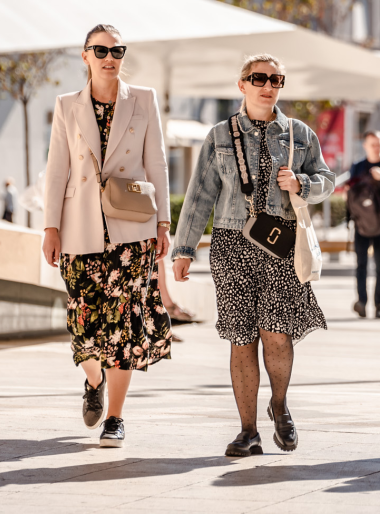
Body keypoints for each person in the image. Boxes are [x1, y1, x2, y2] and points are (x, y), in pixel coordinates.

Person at [172, 54, 335, 458]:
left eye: (276, 79)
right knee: (240, 338)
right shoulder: (219, 135)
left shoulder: (299, 134)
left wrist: (303, 183)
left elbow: (328, 180)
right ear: (241, 84)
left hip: (281, 244)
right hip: (231, 244)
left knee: (277, 334)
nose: (268, 85)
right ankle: (248, 431)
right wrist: (184, 249)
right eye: (258, 78)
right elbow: (199, 196)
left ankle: (279, 406)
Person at [42, 24, 174, 448]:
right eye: (100, 50)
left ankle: (115, 418)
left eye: (116, 49)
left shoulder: (144, 100)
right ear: (85, 56)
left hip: (131, 228)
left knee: (122, 327)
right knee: (83, 327)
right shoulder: (66, 105)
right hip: (79, 228)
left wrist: (163, 223)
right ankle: (93, 379)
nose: (109, 57)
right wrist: (50, 227)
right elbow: (56, 168)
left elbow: (157, 163)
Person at [347, 130, 380, 318]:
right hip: (361, 223)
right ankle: (362, 302)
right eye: (372, 144)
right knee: (361, 265)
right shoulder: (357, 166)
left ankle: (378, 305)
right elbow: (350, 193)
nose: (376, 147)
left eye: (378, 143)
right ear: (365, 145)